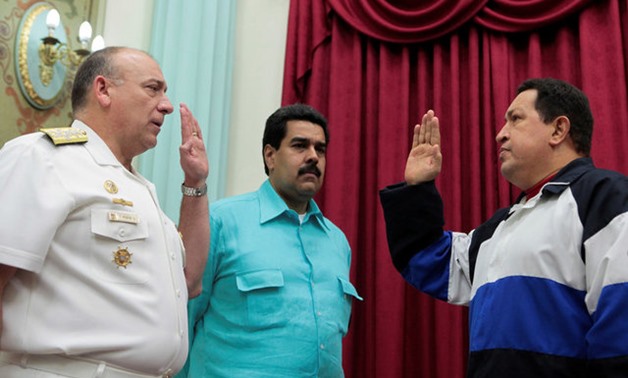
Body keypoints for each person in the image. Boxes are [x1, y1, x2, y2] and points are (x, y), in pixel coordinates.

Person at [379, 78, 628, 377]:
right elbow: (427, 259)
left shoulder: (607, 198)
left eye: (515, 119)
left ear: (558, 130)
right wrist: (417, 188)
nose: (500, 135)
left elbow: (621, 325)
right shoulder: (499, 226)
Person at [0, 46, 210, 378]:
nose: (167, 105)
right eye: (152, 88)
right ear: (103, 90)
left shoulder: (139, 188)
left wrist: (195, 181)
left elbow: (191, 281)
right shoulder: (42, 158)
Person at [178, 103, 362, 378]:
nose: (313, 156)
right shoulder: (221, 221)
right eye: (300, 146)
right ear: (270, 156)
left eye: (320, 149)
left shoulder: (337, 241)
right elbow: (180, 321)